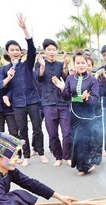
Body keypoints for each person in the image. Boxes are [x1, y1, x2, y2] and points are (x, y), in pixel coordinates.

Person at [0, 13, 47, 167]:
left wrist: (25, 30)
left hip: (33, 101)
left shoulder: (27, 64)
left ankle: (41, 152)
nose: (15, 52)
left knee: (37, 128)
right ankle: (27, 155)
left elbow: (32, 49)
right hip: (17, 104)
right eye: (12, 50)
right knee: (22, 131)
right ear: (7, 52)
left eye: (17, 49)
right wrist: (8, 78)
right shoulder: (4, 69)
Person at [53, 51, 100, 176]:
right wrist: (62, 88)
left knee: (85, 140)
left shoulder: (92, 80)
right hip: (74, 113)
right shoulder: (69, 78)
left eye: (83, 63)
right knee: (76, 139)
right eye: (78, 63)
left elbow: (95, 98)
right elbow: (66, 97)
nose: (81, 65)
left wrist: (86, 98)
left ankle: (85, 166)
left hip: (88, 114)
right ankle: (80, 165)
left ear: (87, 63)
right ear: (74, 64)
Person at [35, 39, 71, 167]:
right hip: (48, 103)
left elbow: (66, 78)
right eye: (49, 50)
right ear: (45, 51)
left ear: (57, 51)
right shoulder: (39, 64)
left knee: (67, 132)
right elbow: (39, 78)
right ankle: (58, 156)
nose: (51, 52)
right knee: (53, 133)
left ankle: (68, 156)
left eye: (54, 50)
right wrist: (42, 65)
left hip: (63, 102)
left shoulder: (60, 65)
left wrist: (66, 65)